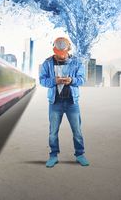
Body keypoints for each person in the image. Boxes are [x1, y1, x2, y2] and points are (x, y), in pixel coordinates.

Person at [39, 37, 89, 168]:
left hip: (72, 103)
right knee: (53, 132)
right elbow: (42, 81)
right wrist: (53, 81)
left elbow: (82, 80)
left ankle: (80, 154)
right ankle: (53, 155)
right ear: (54, 50)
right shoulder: (47, 63)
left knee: (77, 131)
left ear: (68, 49)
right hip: (55, 103)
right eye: (58, 54)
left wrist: (71, 80)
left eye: (63, 54)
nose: (61, 57)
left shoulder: (77, 63)